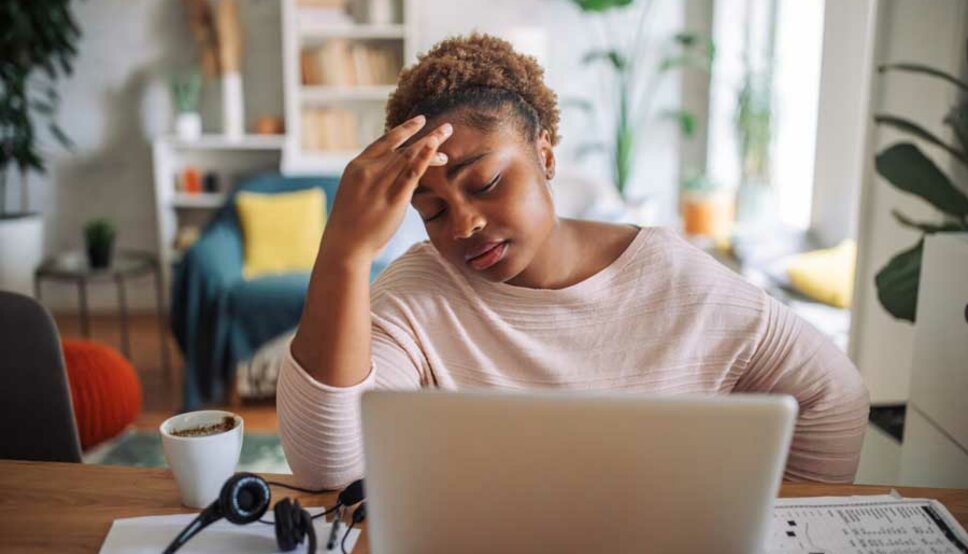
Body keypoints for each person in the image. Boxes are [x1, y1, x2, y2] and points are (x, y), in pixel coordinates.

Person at [278, 34, 869, 489]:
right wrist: (346, 253)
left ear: (545, 153)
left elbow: (833, 396)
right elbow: (332, 468)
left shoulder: (675, 279)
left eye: (483, 182)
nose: (463, 224)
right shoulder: (419, 294)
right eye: (431, 211)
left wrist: (786, 520)